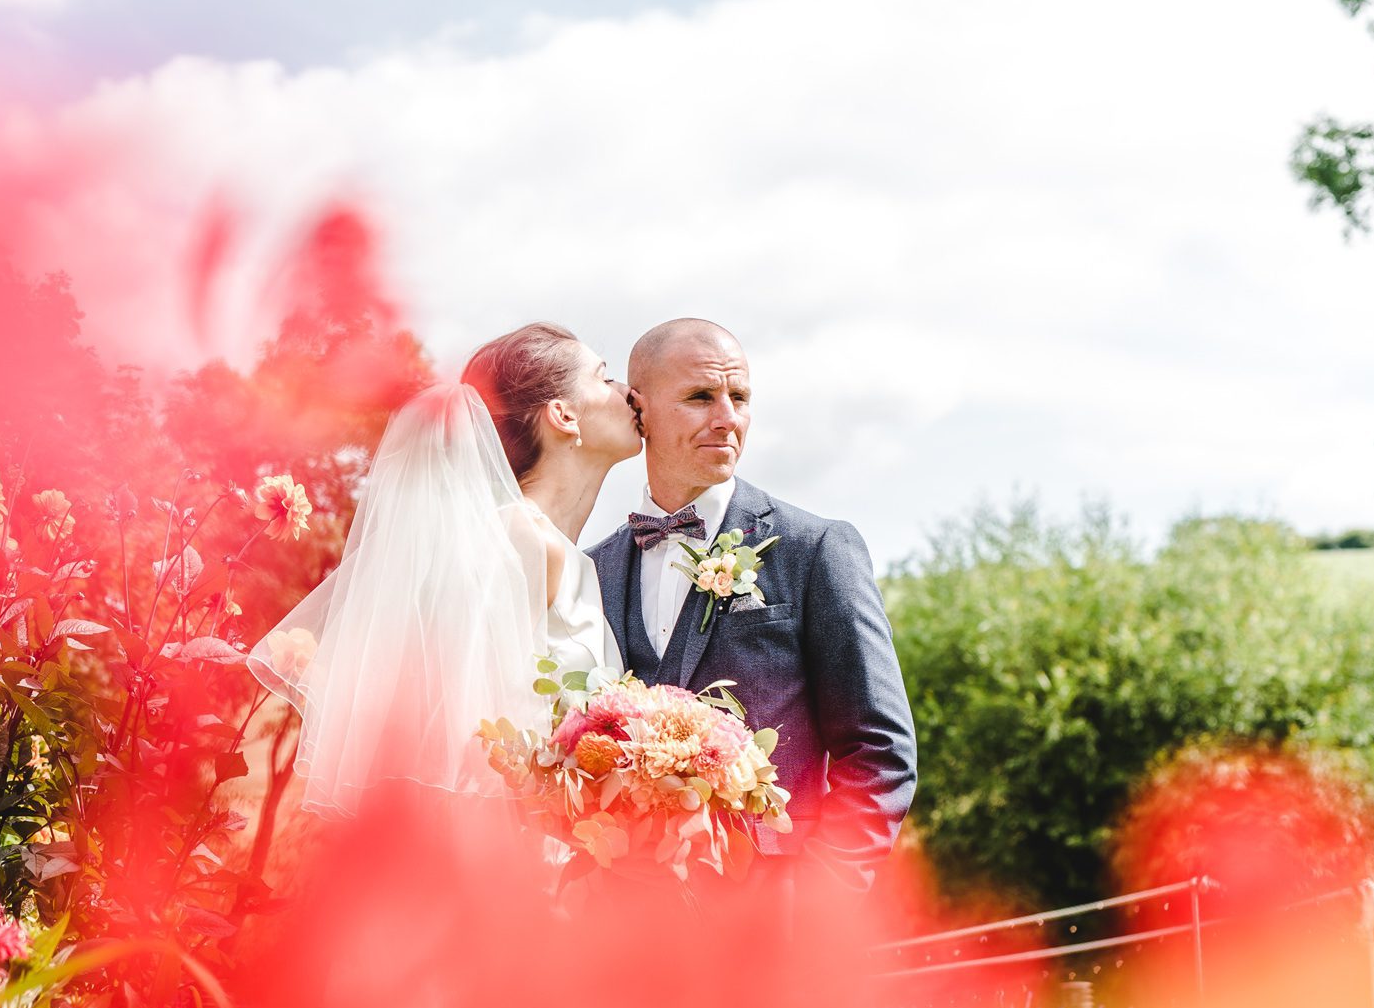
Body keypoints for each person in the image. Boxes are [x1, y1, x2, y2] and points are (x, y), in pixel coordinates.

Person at [249, 322, 640, 816]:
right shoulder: (522, 541)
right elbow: (460, 735)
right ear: (563, 414)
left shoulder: (563, 553)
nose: (627, 391)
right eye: (604, 379)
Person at [589, 318, 917, 897]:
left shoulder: (815, 549)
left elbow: (881, 751)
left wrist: (817, 903)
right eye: (699, 397)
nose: (727, 418)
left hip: (775, 917)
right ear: (638, 410)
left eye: (739, 397)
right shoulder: (594, 570)